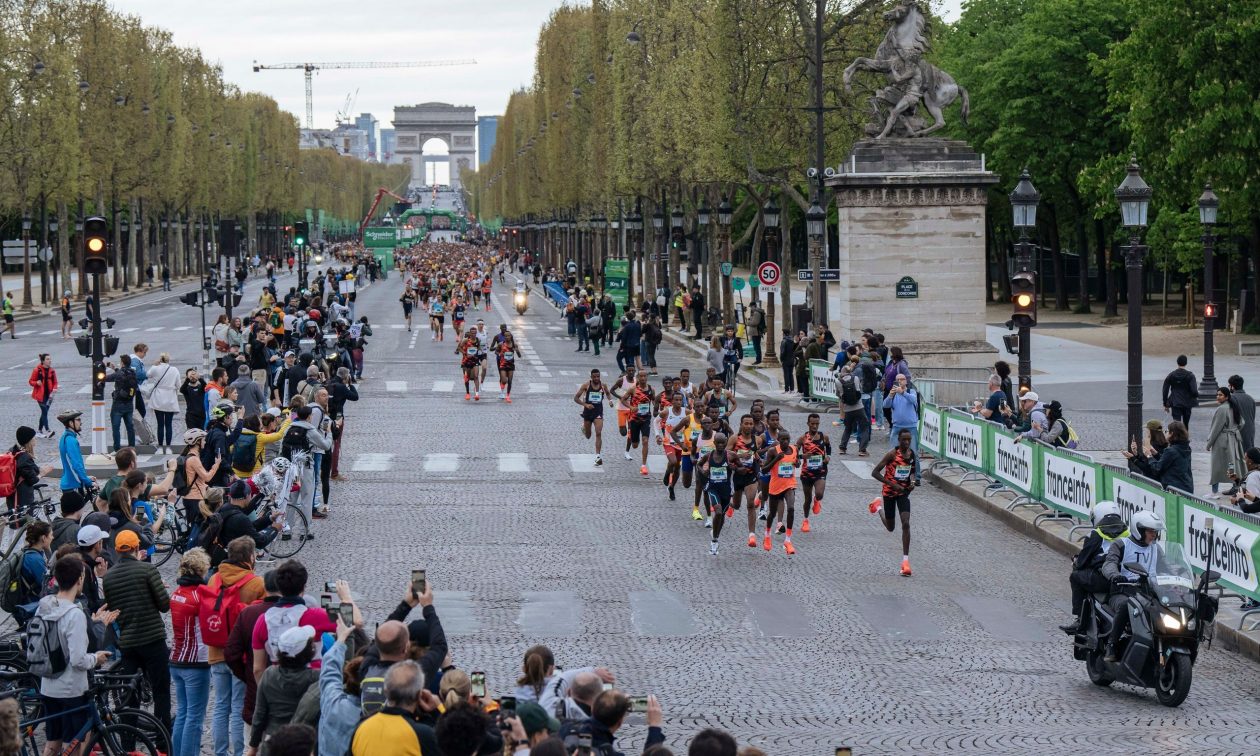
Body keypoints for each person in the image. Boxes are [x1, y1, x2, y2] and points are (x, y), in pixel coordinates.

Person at [32, 556, 115, 756]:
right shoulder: (74, 615)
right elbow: (78, 660)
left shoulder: (43, 606)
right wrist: (97, 658)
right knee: (74, 745)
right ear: (79, 579)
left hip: (48, 685)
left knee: (52, 743)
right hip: (71, 690)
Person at [102, 529, 172, 729]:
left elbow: (115, 608)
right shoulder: (147, 570)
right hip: (152, 639)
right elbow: (164, 605)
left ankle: (128, 743)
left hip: (128, 642)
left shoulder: (108, 578)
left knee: (129, 695)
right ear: (137, 548)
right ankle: (162, 740)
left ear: (117, 550)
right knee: (161, 691)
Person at [1101, 511, 1166, 662]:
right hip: (1123, 591)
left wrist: (1179, 575)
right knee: (1126, 606)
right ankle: (1112, 644)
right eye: (1151, 532)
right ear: (1139, 531)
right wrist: (1115, 575)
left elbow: (1165, 567)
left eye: (1155, 532)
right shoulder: (1121, 544)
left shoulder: (1156, 548)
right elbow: (1109, 563)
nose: (1154, 535)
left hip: (1148, 592)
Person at [1058, 501, 1129, 634]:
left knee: (1075, 576)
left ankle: (1080, 618)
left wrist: (1076, 560)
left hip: (1104, 579)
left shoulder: (1096, 534)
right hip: (1124, 579)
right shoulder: (1128, 533)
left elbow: (1082, 561)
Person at [249, 626, 320, 756]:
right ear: (308, 652)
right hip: (303, 744)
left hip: (271, 741)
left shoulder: (269, 674)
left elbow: (259, 715)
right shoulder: (315, 678)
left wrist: (253, 747)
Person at [348, 660, 441, 755]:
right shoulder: (422, 735)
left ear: (386, 690)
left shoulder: (361, 728)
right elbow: (451, 746)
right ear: (419, 695)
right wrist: (439, 710)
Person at [170, 548, 212, 756]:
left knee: (183, 713)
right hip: (196, 662)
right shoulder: (199, 596)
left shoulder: (177, 593)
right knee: (195, 717)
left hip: (177, 659)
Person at [870, 428, 919, 577]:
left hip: (903, 493)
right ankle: (878, 507)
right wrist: (892, 484)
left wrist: (912, 481)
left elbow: (912, 472)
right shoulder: (892, 454)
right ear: (899, 440)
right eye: (904, 440)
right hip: (890, 493)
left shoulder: (911, 455)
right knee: (890, 527)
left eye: (909, 440)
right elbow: (875, 472)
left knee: (906, 523)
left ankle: (905, 562)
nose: (907, 442)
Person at [1125, 420, 1193, 493]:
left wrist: (1148, 456)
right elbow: (1168, 461)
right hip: (1186, 487)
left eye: (1167, 431)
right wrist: (1155, 454)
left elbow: (1156, 469)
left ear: (1172, 433)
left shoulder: (1170, 450)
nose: (1165, 433)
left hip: (1174, 489)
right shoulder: (1185, 448)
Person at [1207, 386, 1247, 496]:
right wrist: (1234, 430)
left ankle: (1214, 491)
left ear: (1226, 397)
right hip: (1234, 439)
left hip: (1222, 441)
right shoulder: (1232, 407)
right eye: (1217, 394)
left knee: (1217, 466)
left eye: (1220, 395)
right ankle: (1235, 485)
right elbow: (1242, 423)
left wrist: (1209, 443)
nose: (1217, 396)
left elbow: (1216, 429)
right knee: (1232, 463)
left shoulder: (1221, 409)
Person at [9, 426, 53, 519]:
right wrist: (42, 473)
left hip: (14, 495)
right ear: (29, 440)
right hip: (22, 496)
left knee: (15, 523)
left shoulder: (14, 451)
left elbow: (25, 471)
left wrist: (39, 469)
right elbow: (32, 479)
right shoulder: (24, 457)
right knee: (22, 523)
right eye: (33, 437)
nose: (35, 438)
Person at [887, 374, 921, 483]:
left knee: (913, 452)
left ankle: (917, 477)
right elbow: (885, 405)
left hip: (910, 427)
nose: (900, 381)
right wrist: (890, 396)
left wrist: (903, 392)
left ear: (906, 381)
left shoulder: (911, 392)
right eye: (897, 380)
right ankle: (892, 474)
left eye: (902, 379)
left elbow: (913, 400)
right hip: (897, 427)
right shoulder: (894, 394)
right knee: (892, 452)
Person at [103, 354, 139, 450]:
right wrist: (115, 368)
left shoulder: (119, 374)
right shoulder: (132, 372)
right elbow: (122, 374)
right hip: (129, 404)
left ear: (122, 363)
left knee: (116, 428)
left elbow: (105, 378)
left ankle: (117, 449)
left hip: (118, 405)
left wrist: (101, 371)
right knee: (130, 427)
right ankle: (132, 447)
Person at [56, 411, 92, 495]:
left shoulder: (65, 437)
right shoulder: (71, 441)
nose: (81, 422)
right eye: (78, 420)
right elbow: (76, 465)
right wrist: (87, 481)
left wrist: (86, 478)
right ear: (71, 423)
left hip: (70, 482)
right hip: (73, 485)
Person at [1161, 355, 1199, 427]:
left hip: (1175, 402)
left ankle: (1177, 437)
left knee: (1176, 424)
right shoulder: (1190, 375)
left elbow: (1165, 389)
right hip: (1187, 402)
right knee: (1186, 424)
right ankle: (1185, 436)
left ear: (1177, 362)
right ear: (1186, 363)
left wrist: (1165, 403)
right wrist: (1195, 396)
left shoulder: (1171, 375)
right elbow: (1194, 391)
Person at [29, 354, 58, 439]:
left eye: (50, 359)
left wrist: (55, 388)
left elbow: (55, 382)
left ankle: (39, 431)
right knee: (44, 411)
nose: (50, 361)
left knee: (44, 413)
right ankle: (48, 430)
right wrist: (36, 383)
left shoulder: (52, 371)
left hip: (49, 396)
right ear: (43, 361)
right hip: (40, 395)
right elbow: (30, 381)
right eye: (48, 359)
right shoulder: (36, 370)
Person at [1229, 375, 1256, 450]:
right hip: (1250, 431)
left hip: (1238, 432)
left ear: (1232, 386)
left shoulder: (1232, 399)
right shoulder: (1250, 398)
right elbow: (1252, 416)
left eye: (1229, 385)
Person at [180, 368, 208, 432]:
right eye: (190, 375)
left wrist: (199, 378)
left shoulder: (200, 387)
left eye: (194, 374)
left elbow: (205, 386)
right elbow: (182, 390)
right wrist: (188, 379)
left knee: (202, 435)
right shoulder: (187, 389)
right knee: (192, 435)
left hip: (202, 415)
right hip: (191, 416)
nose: (193, 377)